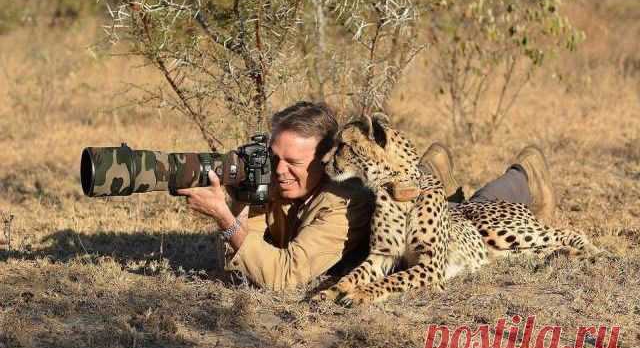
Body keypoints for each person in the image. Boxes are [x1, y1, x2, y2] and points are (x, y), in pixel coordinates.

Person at [177, 110, 554, 290]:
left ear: (325, 161)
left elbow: (281, 276)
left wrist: (226, 219)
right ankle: (436, 171)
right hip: (402, 187)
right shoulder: (280, 180)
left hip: (427, 213)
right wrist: (244, 196)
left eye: (293, 162)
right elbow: (246, 258)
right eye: (274, 158)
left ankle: (524, 177)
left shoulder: (341, 202)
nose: (278, 171)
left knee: (473, 213)